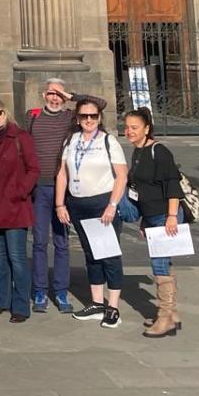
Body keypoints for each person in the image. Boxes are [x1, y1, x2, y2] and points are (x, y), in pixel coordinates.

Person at [26, 78, 100, 314]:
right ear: (43, 94)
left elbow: (100, 103)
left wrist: (72, 96)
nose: (54, 98)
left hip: (64, 190)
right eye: (51, 93)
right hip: (39, 188)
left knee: (62, 242)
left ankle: (60, 290)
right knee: (39, 241)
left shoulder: (71, 118)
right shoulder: (32, 116)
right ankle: (39, 290)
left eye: (58, 94)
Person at [56, 98, 129, 328]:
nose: (89, 120)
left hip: (102, 204)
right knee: (91, 254)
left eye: (93, 116)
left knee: (109, 255)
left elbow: (122, 176)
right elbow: (62, 174)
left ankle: (113, 307)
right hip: (78, 204)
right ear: (77, 118)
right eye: (84, 116)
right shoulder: (72, 140)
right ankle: (97, 303)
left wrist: (112, 205)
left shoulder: (108, 141)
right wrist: (60, 204)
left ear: (99, 118)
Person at [0, 99, 39, 323]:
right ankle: (2, 300)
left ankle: (21, 306)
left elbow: (33, 169)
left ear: (5, 112)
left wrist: (20, 191)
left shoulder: (21, 137)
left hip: (14, 207)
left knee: (17, 258)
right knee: (0, 259)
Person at [124, 107, 185, 338]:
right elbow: (141, 190)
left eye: (134, 127)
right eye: (127, 127)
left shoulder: (159, 152)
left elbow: (172, 186)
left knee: (158, 263)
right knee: (164, 262)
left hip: (164, 214)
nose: (129, 131)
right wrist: (143, 221)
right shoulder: (137, 152)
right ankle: (172, 313)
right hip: (151, 215)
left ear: (147, 129)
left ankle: (165, 316)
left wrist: (171, 216)